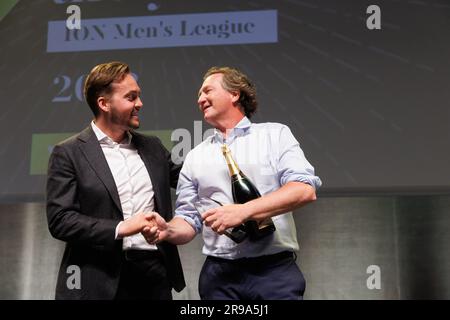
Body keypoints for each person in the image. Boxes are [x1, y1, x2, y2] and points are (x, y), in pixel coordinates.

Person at [145, 66, 322, 300]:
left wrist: (244, 211)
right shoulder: (195, 156)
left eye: (207, 90)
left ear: (235, 94)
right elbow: (188, 219)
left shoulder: (275, 135)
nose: (200, 99)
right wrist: (167, 230)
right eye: (198, 95)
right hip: (219, 278)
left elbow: (304, 190)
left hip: (274, 272)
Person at [46, 61, 185, 299]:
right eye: (131, 97)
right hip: (97, 279)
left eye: (138, 96)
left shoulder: (153, 147)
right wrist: (122, 228)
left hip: (154, 277)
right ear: (104, 103)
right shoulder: (68, 153)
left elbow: (190, 180)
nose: (139, 104)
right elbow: (61, 220)